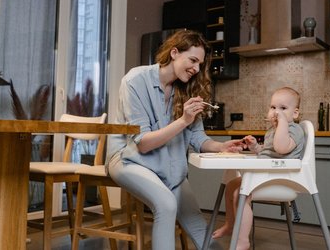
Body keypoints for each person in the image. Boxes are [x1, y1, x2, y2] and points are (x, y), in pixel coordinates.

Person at [106, 29, 245, 250]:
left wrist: (221, 146)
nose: (196, 69)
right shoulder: (135, 80)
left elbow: (197, 138)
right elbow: (142, 143)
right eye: (192, 60)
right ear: (173, 53)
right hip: (129, 161)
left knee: (199, 227)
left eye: (200, 64)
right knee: (166, 204)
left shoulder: (187, 89)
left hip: (170, 168)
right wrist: (183, 120)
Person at [212, 87, 305, 250]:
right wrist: (255, 147)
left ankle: (242, 241)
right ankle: (230, 224)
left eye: (283, 108)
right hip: (266, 174)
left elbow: (281, 148)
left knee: (239, 193)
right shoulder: (272, 131)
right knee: (231, 185)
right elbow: (267, 152)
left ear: (295, 114)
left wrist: (282, 122)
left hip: (281, 178)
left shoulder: (294, 130)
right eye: (273, 107)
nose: (277, 112)